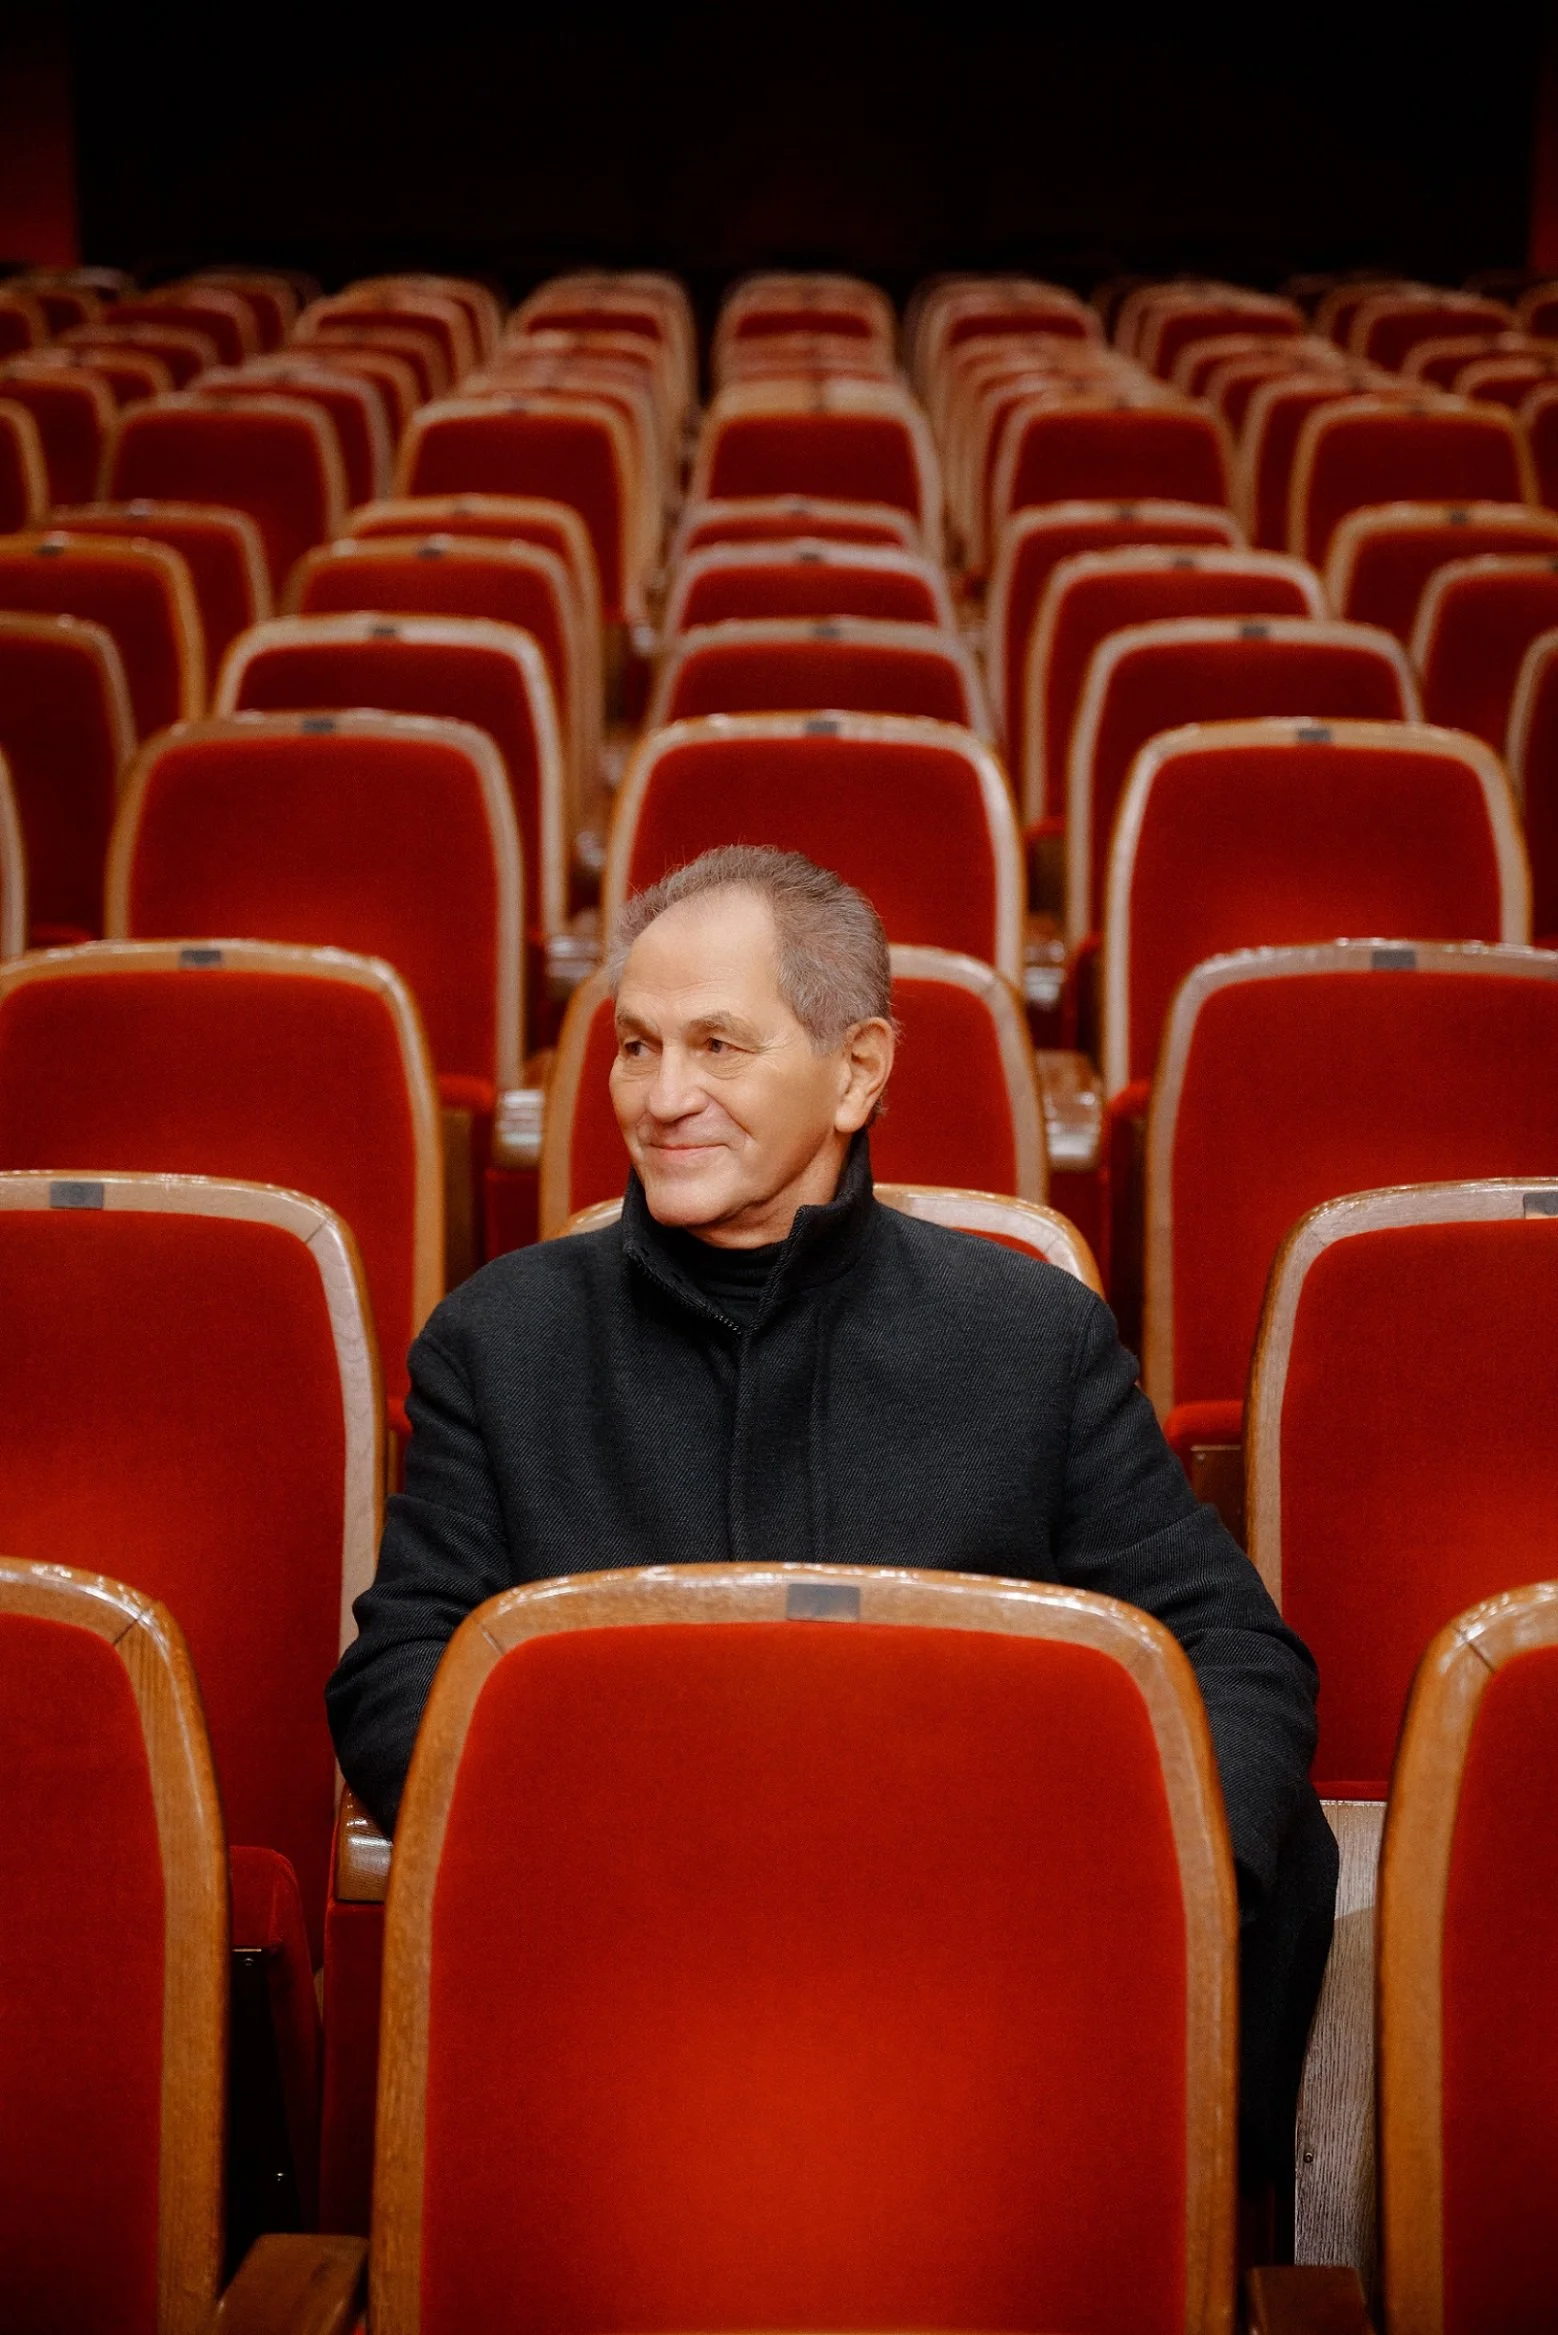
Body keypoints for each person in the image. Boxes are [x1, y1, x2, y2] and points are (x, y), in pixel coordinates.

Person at [327, 842, 1336, 2205]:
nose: (661, 1097)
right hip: (626, 1960)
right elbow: (399, 1672)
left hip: (990, 1959)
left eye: (717, 1045)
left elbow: (1236, 1651)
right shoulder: (498, 1341)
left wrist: (1132, 1873)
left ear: (857, 1070)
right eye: (635, 1046)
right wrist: (613, 1860)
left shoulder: (1026, 1336)